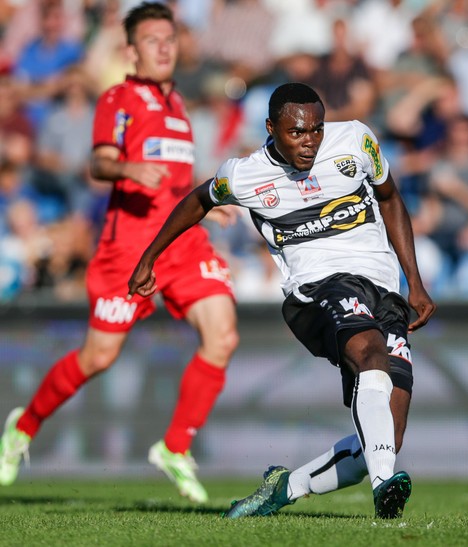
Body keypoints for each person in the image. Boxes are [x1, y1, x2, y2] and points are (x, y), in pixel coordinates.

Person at [127, 82, 436, 520]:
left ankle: (285, 488)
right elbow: (197, 201)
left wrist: (415, 283)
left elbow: (390, 199)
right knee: (369, 354)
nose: (309, 141)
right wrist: (150, 257)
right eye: (296, 133)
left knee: (386, 435)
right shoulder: (244, 174)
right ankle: (386, 485)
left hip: (384, 287)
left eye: (316, 130)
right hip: (318, 286)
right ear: (271, 128)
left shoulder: (356, 140)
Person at [0, 2, 239, 504]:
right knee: (98, 357)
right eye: (152, 39)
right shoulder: (119, 99)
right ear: (131, 50)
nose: (164, 47)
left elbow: (174, 184)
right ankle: (25, 425)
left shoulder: (180, 110)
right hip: (128, 249)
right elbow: (99, 162)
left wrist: (206, 208)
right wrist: (128, 171)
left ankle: (175, 447)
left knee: (222, 334)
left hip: (180, 241)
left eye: (169, 37)